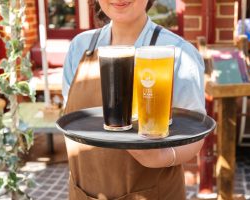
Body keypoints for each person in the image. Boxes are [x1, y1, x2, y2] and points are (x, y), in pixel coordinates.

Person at [62, 0, 206, 199]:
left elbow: (195, 135)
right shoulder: (80, 47)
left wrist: (160, 157)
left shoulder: (178, 52)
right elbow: (71, 118)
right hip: (84, 192)